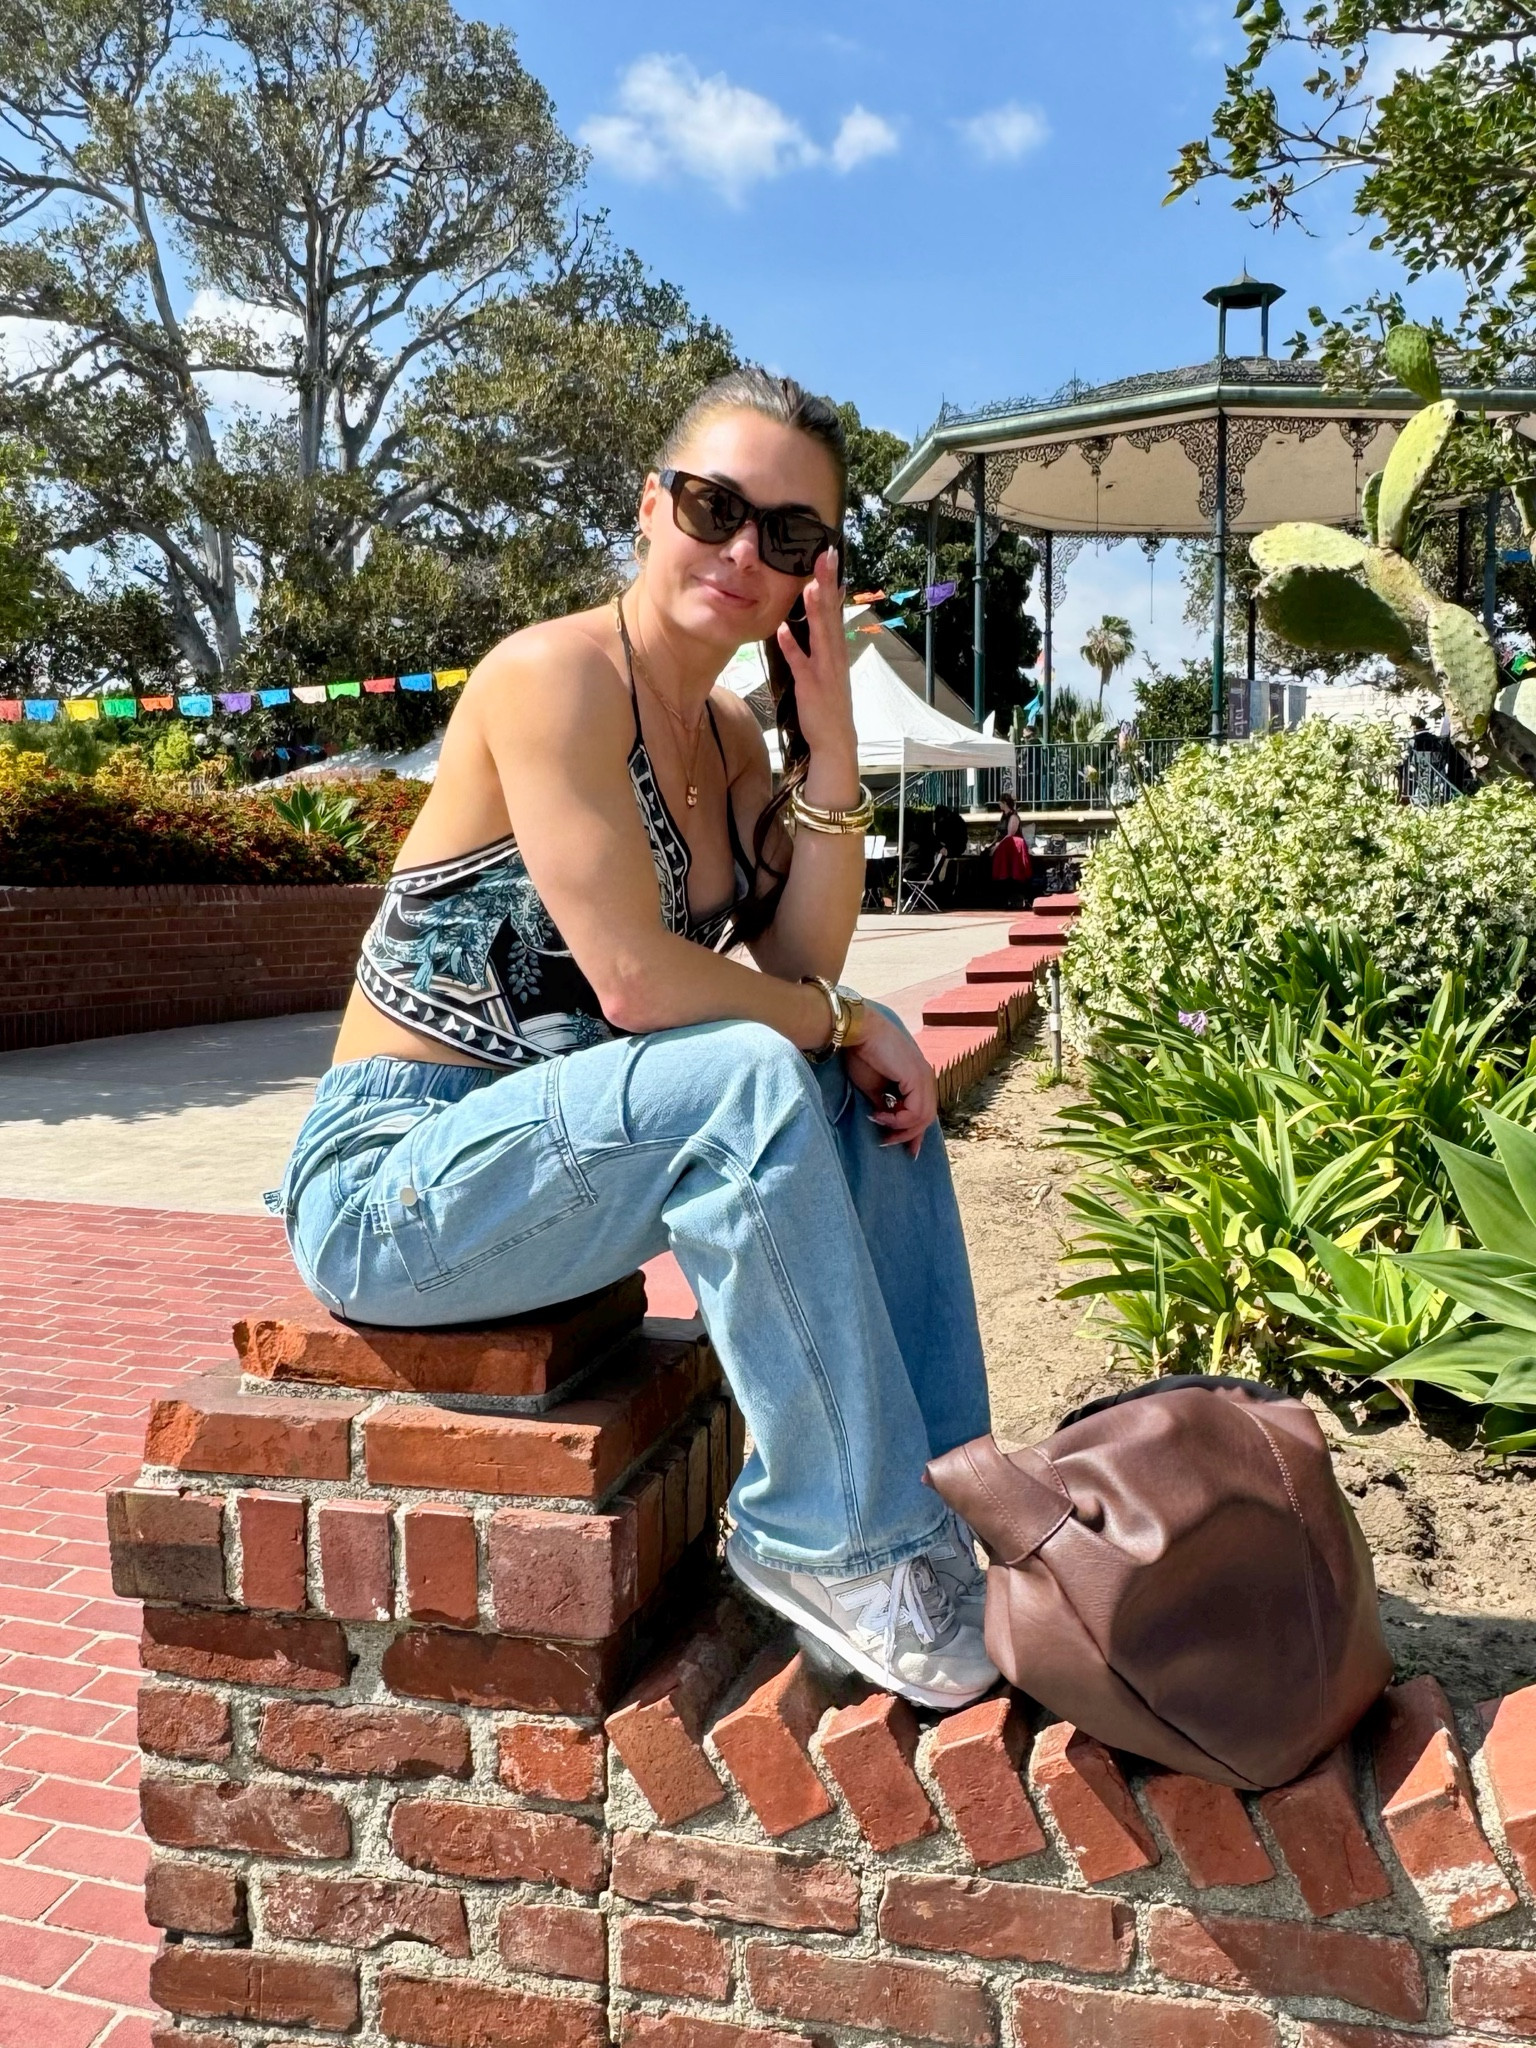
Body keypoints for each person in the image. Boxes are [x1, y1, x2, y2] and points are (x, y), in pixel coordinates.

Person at [269, 370, 997, 1710]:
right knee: (765, 1062)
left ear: (812, 577)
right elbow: (636, 984)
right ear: (650, 505)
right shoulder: (554, 675)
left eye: (786, 536)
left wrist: (828, 743)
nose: (741, 552)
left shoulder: (729, 736)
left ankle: (945, 1511)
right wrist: (844, 1017)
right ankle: (830, 1543)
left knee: (854, 1091)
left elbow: (795, 965)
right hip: (396, 1179)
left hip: (549, 1167)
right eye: (716, 506)